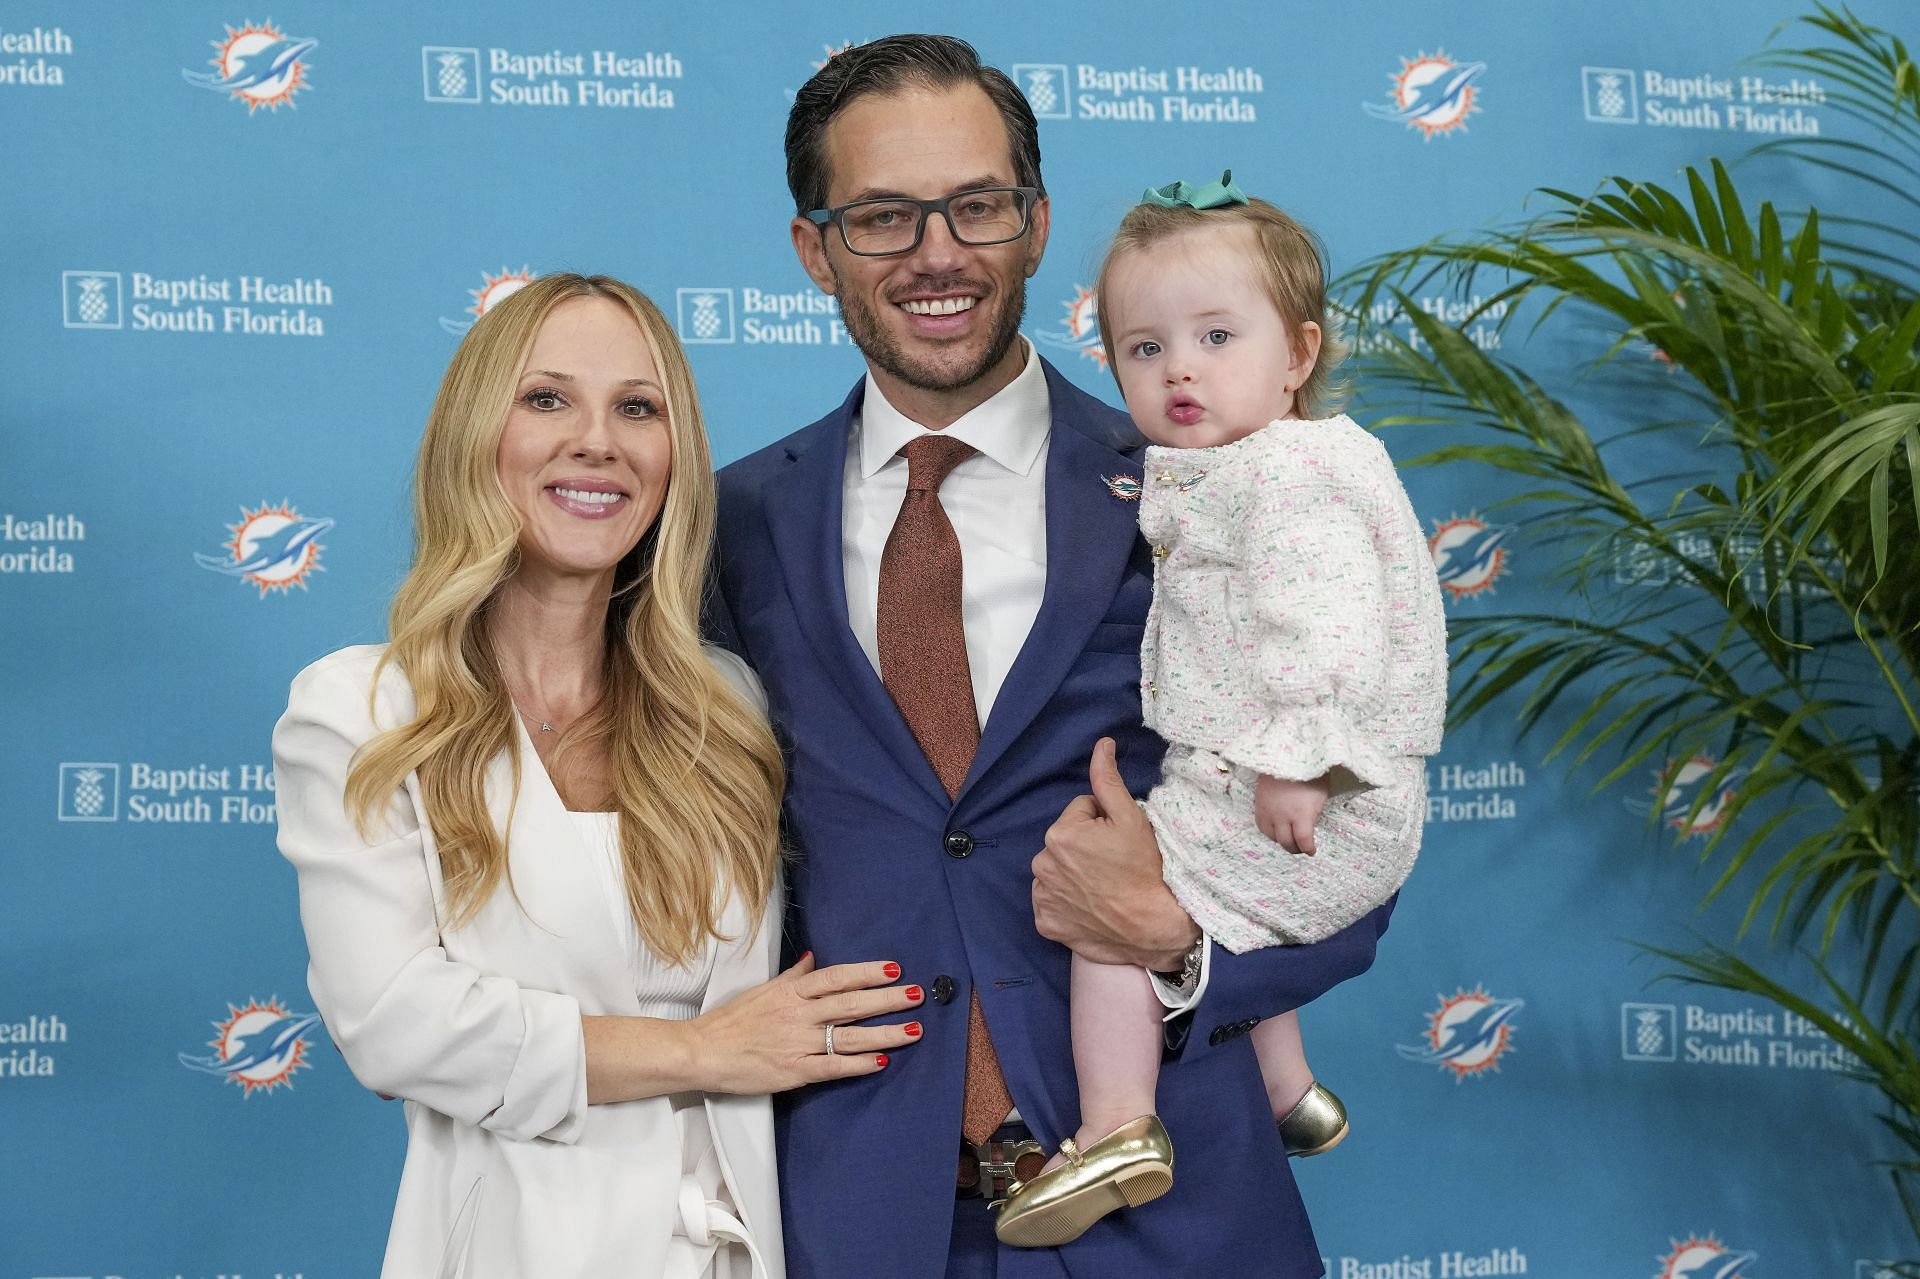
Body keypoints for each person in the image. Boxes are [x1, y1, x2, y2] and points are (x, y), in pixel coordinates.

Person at [710, 36, 1394, 1279]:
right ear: (814, 249)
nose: (936, 253)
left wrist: (1178, 940)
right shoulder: (730, 525)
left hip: (1172, 1205)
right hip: (859, 1216)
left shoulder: (1211, 485)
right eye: (881, 216)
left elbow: (1353, 808)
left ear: (1033, 222)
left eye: (975, 205)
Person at [272, 273, 921, 1279]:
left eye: (637, 407)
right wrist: (702, 1051)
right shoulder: (363, 710)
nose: (597, 441)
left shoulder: (725, 704)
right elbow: (395, 1024)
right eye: (547, 400)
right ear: (475, 435)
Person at [992, 176, 1448, 1248]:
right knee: (1227, 899)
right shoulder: (1260, 464)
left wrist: (1299, 759)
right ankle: (1289, 1088)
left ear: (1296, 356)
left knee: (1126, 913)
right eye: (1143, 349)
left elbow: (1326, 623)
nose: (1179, 368)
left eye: (1214, 336)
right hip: (1292, 777)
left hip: (1313, 781)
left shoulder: (1285, 479)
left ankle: (1117, 1126)